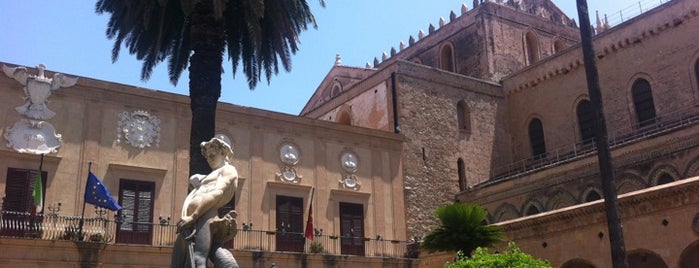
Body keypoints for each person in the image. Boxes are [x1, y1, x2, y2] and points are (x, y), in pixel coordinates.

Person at [177, 137, 238, 233]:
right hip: (191, 222)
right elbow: (202, 182)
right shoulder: (214, 174)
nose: (209, 159)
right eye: (208, 157)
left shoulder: (228, 170)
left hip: (205, 217)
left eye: (212, 155)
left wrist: (193, 216)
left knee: (201, 248)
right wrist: (193, 179)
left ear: (223, 153)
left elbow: (217, 192)